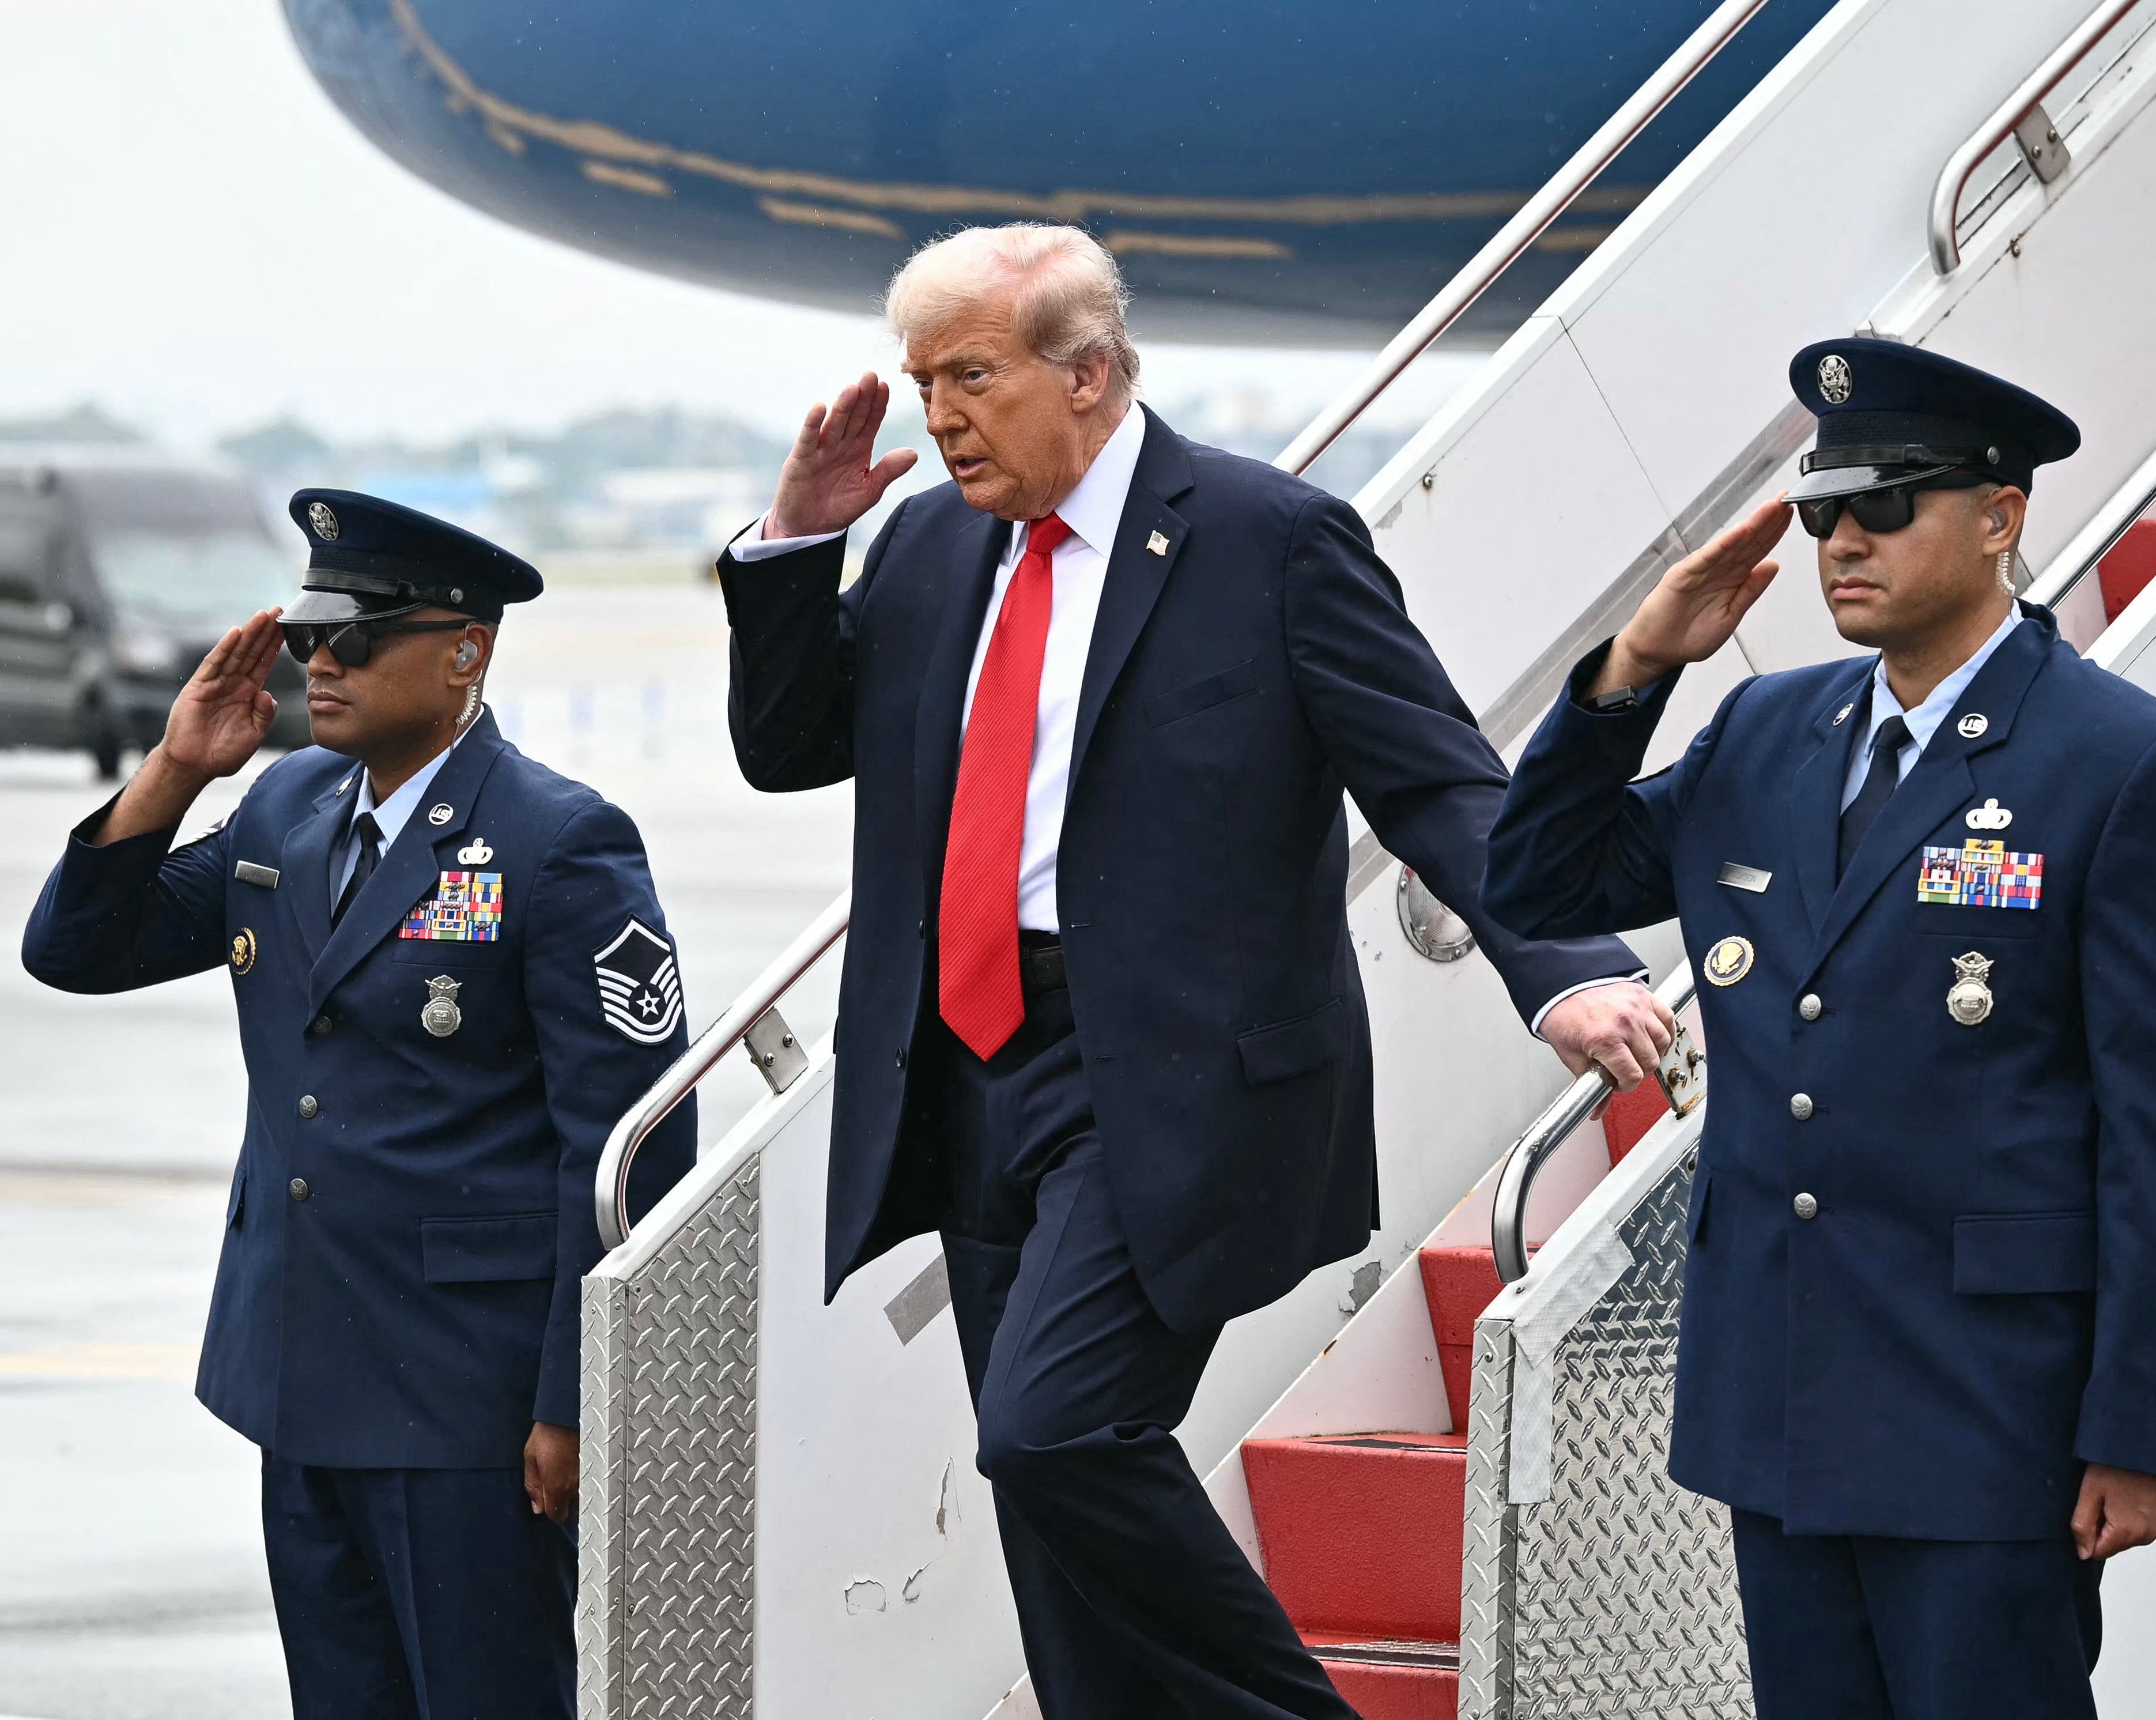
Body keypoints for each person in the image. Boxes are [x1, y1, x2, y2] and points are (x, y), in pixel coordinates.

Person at [714, 222, 1676, 1718]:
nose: (937, 415)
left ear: (1087, 374)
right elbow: (789, 749)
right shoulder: (926, 542)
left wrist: (1560, 971)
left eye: (969, 375)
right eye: (922, 381)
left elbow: (1438, 785)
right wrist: (795, 544)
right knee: (1052, 1524)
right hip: (969, 1069)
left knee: (1054, 1436)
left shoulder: (1266, 539)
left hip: (1172, 1083)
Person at [1484, 340, 2156, 1719]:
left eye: (1883, 505)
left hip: (1983, 1407)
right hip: (1779, 1383)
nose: (1841, 538)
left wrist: (2139, 1429)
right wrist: (1637, 663)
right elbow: (1536, 882)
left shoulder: (2120, 761)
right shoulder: (1767, 729)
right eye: (1821, 507)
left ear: (1998, 516)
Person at [21, 491, 697, 1720]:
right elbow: (78, 948)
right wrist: (177, 768)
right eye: (307, 639)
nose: (320, 663)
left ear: (462, 653)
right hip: (304, 1367)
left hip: (466, 1397)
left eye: (357, 638)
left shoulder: (554, 842)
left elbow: (629, 1145)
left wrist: (577, 1399)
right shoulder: (285, 806)